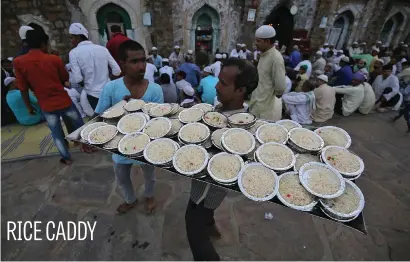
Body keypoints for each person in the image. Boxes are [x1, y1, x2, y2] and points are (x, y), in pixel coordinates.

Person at [186, 57, 258, 261]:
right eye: (218, 80)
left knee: (193, 228)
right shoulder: (222, 109)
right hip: (214, 192)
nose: (216, 86)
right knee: (207, 212)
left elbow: (214, 165)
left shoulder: (237, 126)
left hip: (207, 186)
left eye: (224, 83)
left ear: (240, 90)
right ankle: (211, 226)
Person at [90, 40, 163, 213]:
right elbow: (99, 117)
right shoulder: (111, 88)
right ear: (122, 64)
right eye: (134, 61)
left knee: (150, 176)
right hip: (119, 145)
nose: (141, 66)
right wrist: (119, 109)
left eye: (143, 60)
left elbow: (158, 122)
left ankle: (149, 195)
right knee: (122, 177)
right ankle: (130, 199)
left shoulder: (155, 90)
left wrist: (140, 109)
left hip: (146, 144)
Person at [14, 30, 84, 165]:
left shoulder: (19, 62)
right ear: (42, 44)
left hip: (46, 104)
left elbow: (23, 88)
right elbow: (65, 78)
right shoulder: (53, 59)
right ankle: (88, 145)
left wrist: (29, 107)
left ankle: (66, 158)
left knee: (56, 132)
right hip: (63, 101)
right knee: (79, 124)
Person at [68, 23, 121, 109]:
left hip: (93, 95)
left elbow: (78, 79)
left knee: (102, 119)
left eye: (71, 38)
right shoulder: (103, 49)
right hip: (109, 91)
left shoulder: (73, 53)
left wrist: (88, 84)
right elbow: (117, 71)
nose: (71, 41)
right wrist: (108, 80)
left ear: (77, 37)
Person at [250, 25, 285, 121]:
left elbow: (280, 88)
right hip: (256, 101)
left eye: (258, 41)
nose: (256, 43)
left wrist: (267, 94)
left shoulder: (276, 58)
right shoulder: (263, 54)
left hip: (264, 107)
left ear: (268, 41)